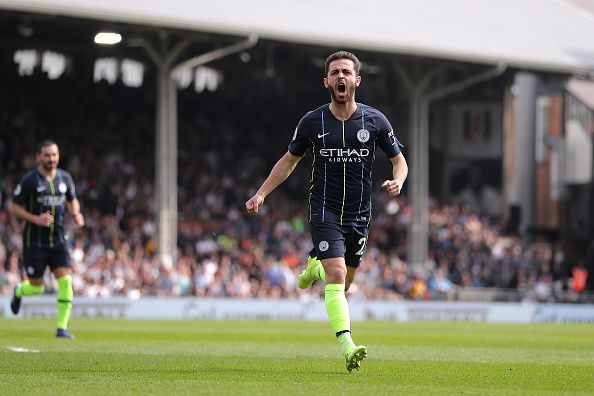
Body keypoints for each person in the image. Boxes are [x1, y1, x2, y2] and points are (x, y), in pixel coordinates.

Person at [246, 51, 408, 372]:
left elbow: (398, 160)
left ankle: (314, 270)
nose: (340, 77)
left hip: (360, 215)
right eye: (334, 73)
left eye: (346, 72)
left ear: (356, 80)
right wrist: (262, 193)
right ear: (326, 82)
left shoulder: (375, 121)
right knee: (337, 276)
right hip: (324, 210)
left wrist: (398, 181)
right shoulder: (312, 122)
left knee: (342, 286)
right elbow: (289, 161)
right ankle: (348, 346)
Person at [9, 140, 85, 339]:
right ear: (38, 157)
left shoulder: (65, 178)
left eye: (54, 155)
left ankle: (62, 328)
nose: (51, 159)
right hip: (35, 241)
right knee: (36, 287)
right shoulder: (30, 180)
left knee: (66, 281)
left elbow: (72, 199)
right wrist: (35, 219)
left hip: (59, 239)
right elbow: (14, 207)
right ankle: (19, 290)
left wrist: (76, 213)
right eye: (47, 155)